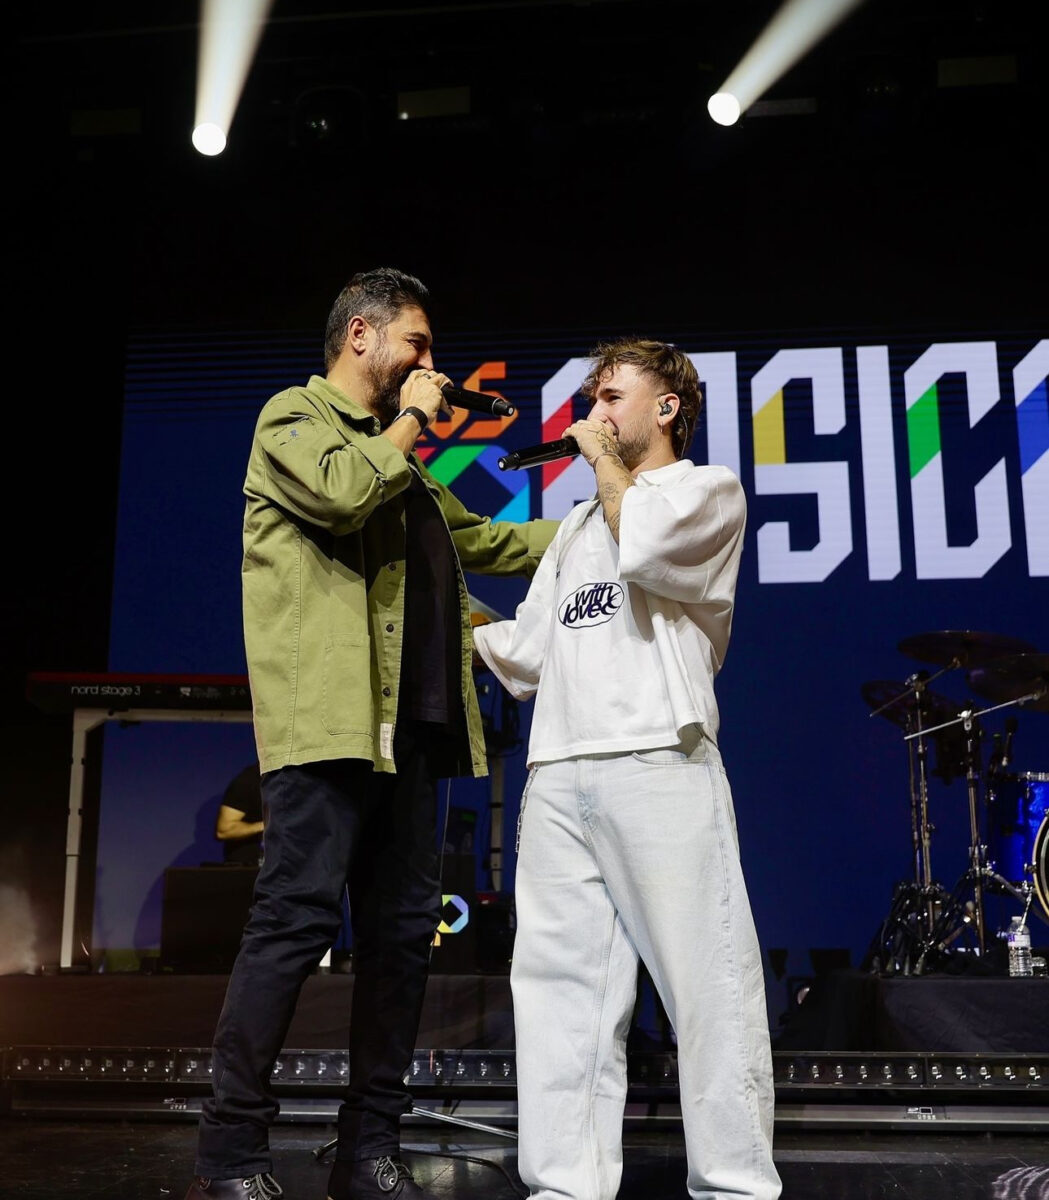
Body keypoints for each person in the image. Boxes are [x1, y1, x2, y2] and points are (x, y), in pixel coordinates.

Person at [184, 267, 557, 1200]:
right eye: (418, 344)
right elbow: (343, 496)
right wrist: (416, 421)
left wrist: (609, 520)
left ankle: (368, 1145)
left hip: (419, 733)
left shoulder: (413, 471)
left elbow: (492, 542)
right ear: (361, 335)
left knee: (398, 943)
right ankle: (231, 1152)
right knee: (292, 925)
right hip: (331, 728)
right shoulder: (293, 422)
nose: (431, 363)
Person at [473, 339, 781, 1200]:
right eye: (590, 402)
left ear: (667, 407)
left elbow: (644, 542)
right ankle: (564, 1185)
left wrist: (605, 465)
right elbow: (528, 653)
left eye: (611, 397)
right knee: (559, 996)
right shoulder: (574, 526)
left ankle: (733, 1186)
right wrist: (437, 601)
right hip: (559, 769)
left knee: (706, 984)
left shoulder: (704, 491)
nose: (591, 417)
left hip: (657, 757)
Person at [214, 762, 264, 866]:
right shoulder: (249, 780)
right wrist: (267, 825)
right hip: (248, 867)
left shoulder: (297, 780)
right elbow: (224, 830)